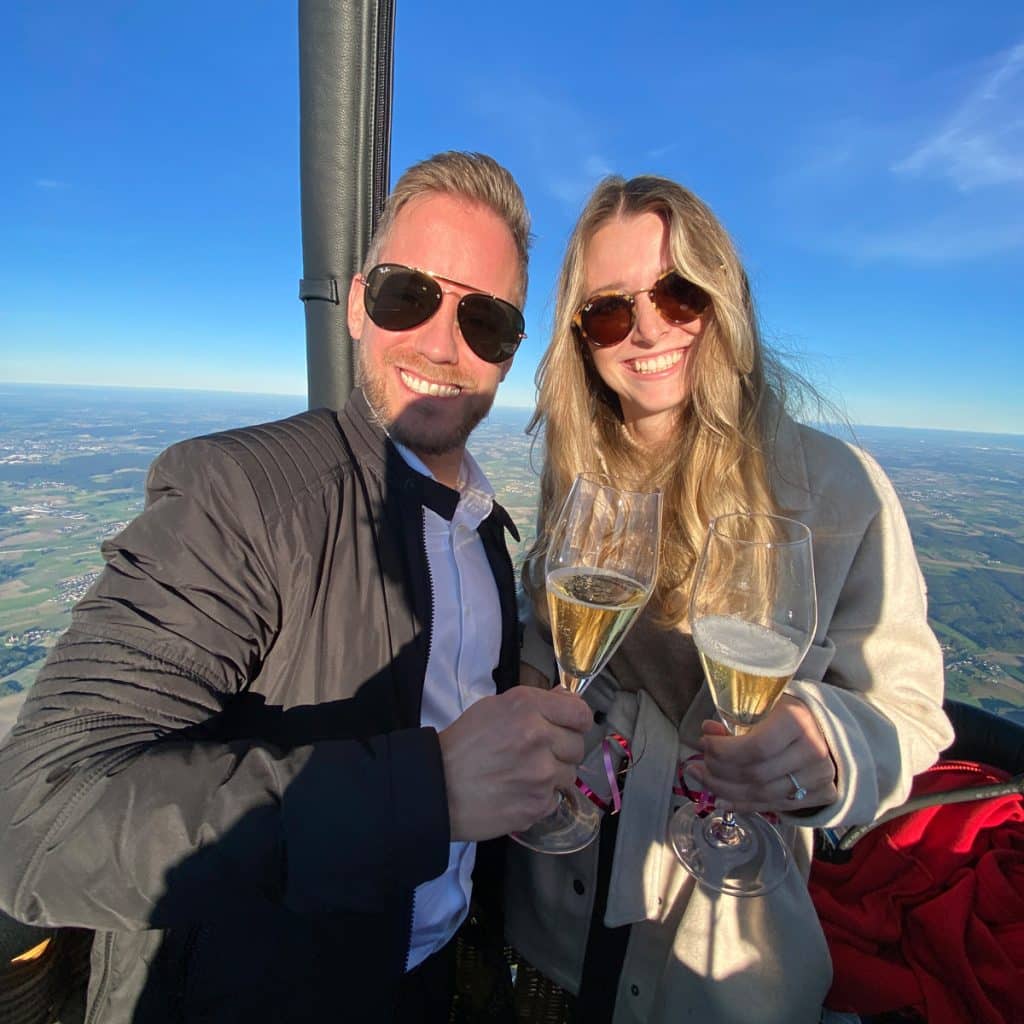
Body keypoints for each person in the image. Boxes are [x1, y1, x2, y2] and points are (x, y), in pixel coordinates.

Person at [0, 151, 593, 1023]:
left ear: (508, 355)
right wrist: (425, 793)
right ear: (357, 304)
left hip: (434, 977)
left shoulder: (484, 532)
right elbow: (40, 820)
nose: (441, 342)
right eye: (408, 295)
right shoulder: (241, 497)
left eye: (486, 321)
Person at [505, 175, 954, 1024]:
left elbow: (912, 711)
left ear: (724, 299)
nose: (646, 329)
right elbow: (549, 639)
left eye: (677, 294)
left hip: (730, 937)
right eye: (609, 310)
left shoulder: (837, 489)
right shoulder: (579, 469)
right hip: (562, 904)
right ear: (580, 338)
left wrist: (827, 747)